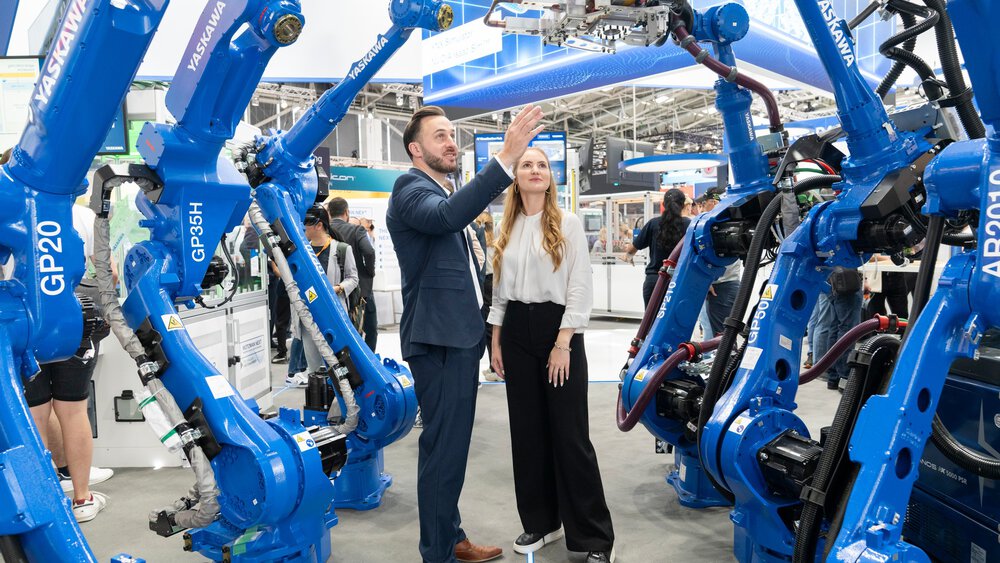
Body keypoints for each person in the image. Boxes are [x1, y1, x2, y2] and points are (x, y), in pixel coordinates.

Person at [387, 103, 543, 563]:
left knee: (450, 449)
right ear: (416, 150)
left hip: (457, 337)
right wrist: (506, 159)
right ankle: (438, 553)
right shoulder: (410, 188)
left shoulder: (440, 192)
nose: (451, 142)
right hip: (437, 340)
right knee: (443, 450)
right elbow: (445, 217)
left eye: (452, 134)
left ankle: (450, 536)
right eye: (439, 136)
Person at [489, 147, 615, 563]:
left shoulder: (568, 223)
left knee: (570, 435)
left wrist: (563, 343)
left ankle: (595, 538)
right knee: (527, 434)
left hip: (557, 329)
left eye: (541, 165)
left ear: (550, 177)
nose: (535, 170)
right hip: (515, 332)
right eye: (527, 164)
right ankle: (541, 522)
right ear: (516, 177)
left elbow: (579, 286)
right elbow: (500, 292)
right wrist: (496, 341)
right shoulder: (507, 227)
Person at [23, 202, 113, 522]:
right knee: (73, 411)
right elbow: (109, 272)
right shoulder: (81, 214)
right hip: (75, 320)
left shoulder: (12, 207)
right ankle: (82, 498)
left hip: (28, 323)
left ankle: (43, 502)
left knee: (34, 414)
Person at [286, 206, 359, 386]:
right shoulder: (301, 252)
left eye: (306, 224)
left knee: (338, 366)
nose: (302, 227)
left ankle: (340, 397)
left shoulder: (342, 249)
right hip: (308, 318)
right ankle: (320, 399)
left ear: (319, 225)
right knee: (315, 370)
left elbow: (353, 278)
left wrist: (338, 288)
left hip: (333, 316)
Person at [621, 189, 691, 307]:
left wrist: (628, 256)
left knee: (651, 318)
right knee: (675, 318)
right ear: (683, 205)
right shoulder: (689, 225)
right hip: (679, 281)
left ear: (663, 204)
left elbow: (632, 249)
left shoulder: (653, 223)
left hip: (654, 281)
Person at [328, 197, 378, 350]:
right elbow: (369, 252)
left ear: (329, 212)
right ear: (346, 212)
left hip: (332, 288)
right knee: (369, 327)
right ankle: (368, 360)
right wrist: (369, 272)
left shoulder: (324, 231)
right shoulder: (356, 230)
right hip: (359, 288)